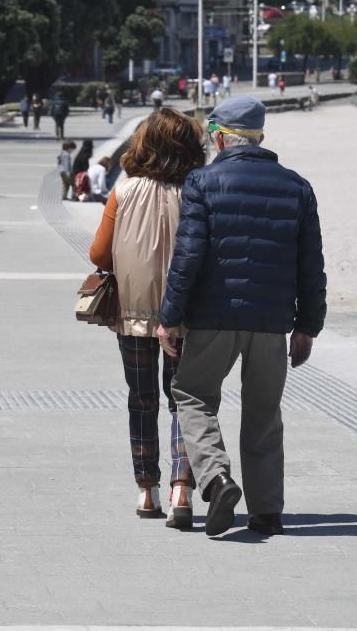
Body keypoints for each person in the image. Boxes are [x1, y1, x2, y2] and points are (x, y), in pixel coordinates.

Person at [157, 96, 327, 537]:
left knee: (191, 395)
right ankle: (267, 511)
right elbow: (311, 263)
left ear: (218, 137)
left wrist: (169, 316)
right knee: (263, 412)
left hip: (213, 316)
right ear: (261, 138)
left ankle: (215, 478)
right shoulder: (297, 187)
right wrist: (308, 326)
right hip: (272, 322)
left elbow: (188, 256)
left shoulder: (202, 182)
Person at [88, 108, 207, 528]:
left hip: (132, 315)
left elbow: (98, 255)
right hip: (185, 315)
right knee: (185, 401)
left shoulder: (123, 192)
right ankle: (182, 490)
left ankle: (147, 489)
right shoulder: (197, 190)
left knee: (141, 401)